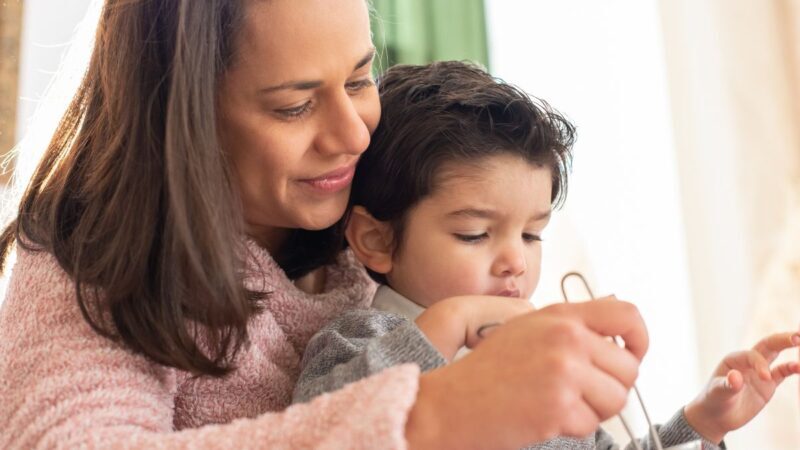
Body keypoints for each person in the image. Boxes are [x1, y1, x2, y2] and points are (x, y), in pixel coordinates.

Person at [0, 1, 653, 448]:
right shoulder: (90, 260)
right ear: (184, 114)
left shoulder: (385, 193)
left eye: (361, 79)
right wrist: (430, 415)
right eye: (295, 106)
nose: (353, 135)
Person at [292, 61, 800, 449]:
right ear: (377, 240)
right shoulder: (357, 341)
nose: (515, 261)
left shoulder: (548, 362)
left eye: (532, 235)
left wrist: (698, 423)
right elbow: (327, 432)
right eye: (474, 234)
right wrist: (451, 320)